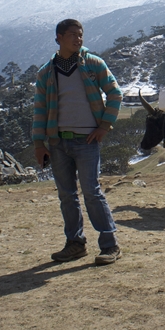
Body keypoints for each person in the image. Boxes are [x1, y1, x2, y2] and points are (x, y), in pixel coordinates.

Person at [33, 18, 124, 266]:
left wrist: (104, 126)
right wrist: (39, 143)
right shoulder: (46, 72)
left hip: (87, 141)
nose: (78, 39)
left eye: (80, 34)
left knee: (92, 193)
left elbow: (115, 93)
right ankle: (75, 244)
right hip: (58, 142)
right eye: (72, 34)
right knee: (67, 195)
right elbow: (40, 109)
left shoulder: (93, 64)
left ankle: (110, 244)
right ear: (59, 38)